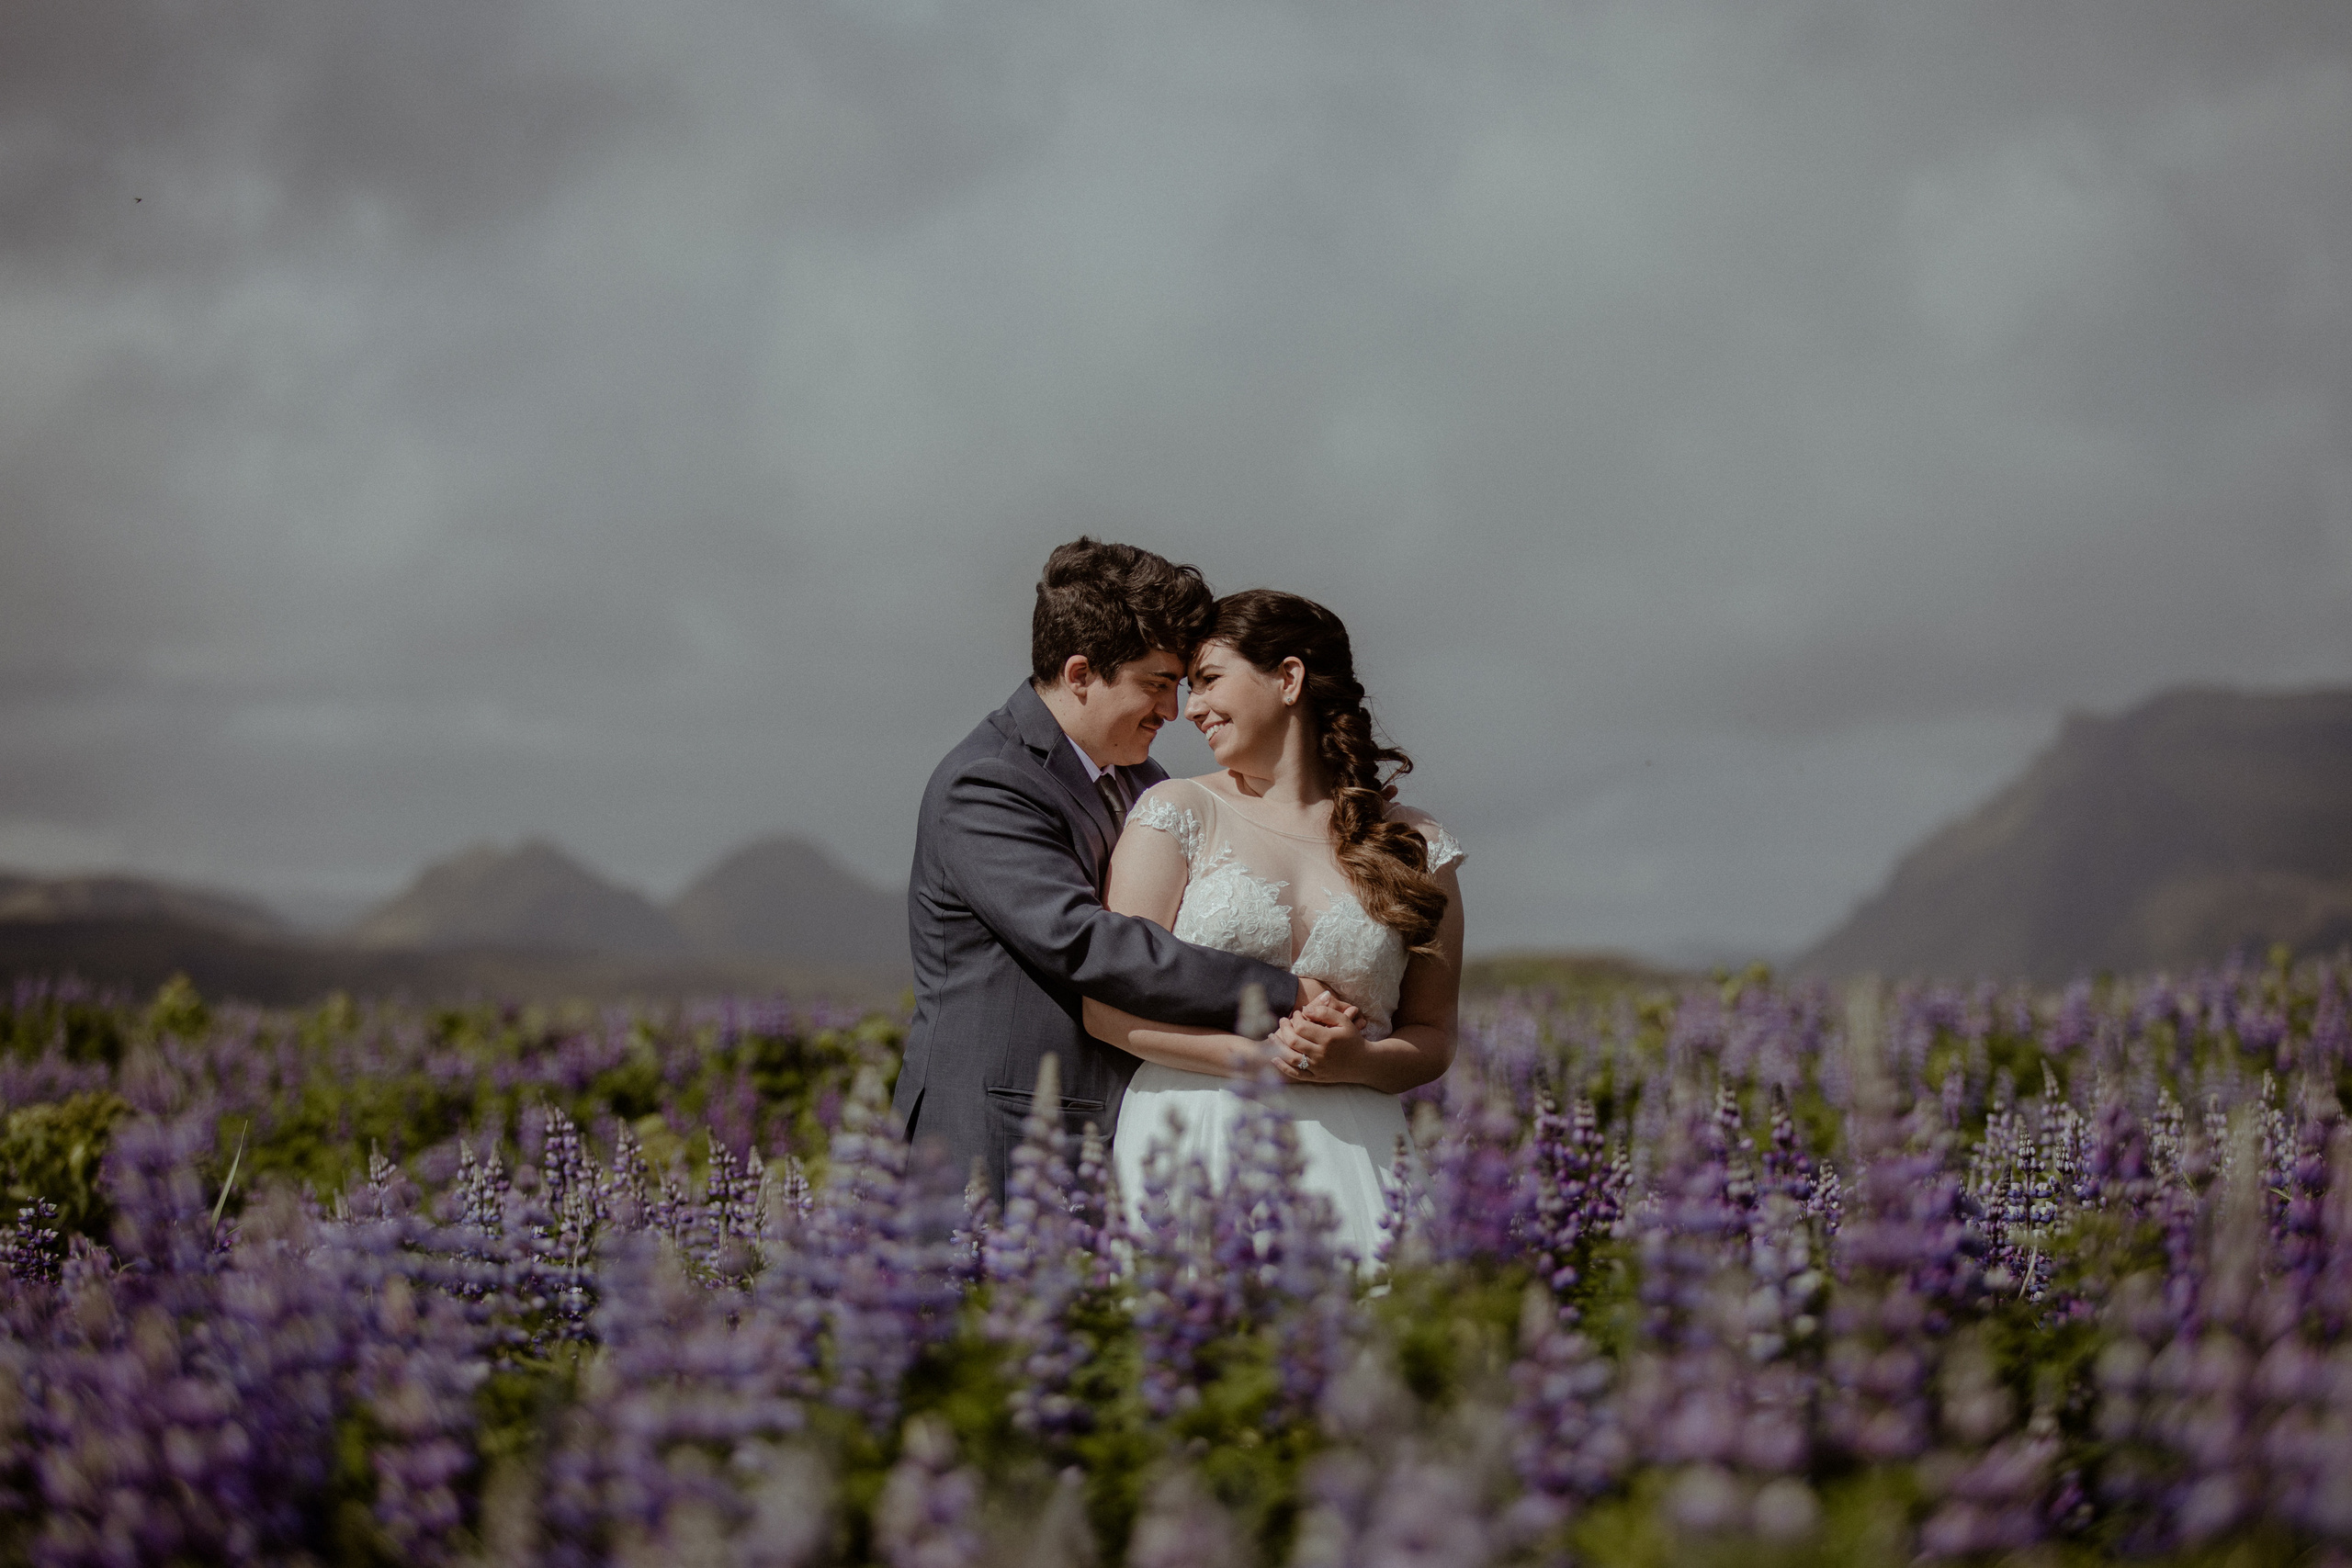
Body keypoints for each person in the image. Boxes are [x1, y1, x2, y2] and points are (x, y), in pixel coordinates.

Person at [897, 540, 1335, 1201]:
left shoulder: (1144, 778)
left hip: (1120, 1136)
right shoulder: (986, 782)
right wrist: (1279, 990)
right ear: (1079, 674)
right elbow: (1084, 941)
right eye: (1156, 683)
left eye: (1180, 685)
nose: (1172, 709)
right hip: (999, 1137)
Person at [1084, 588, 1464, 1262]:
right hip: (1192, 1135)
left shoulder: (1413, 843)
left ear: (1288, 678)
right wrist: (1254, 1058)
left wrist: (1361, 1060)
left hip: (1357, 1147)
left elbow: (1433, 1036)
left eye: (1207, 680)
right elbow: (1106, 1009)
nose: (1189, 707)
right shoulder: (1176, 811)